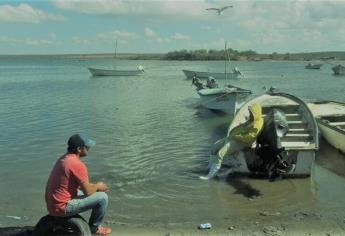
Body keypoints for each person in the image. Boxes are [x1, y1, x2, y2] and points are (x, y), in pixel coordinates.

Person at [45, 133, 112, 235]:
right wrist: (98, 186)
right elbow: (88, 191)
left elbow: (80, 185)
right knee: (103, 197)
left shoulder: (64, 159)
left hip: (52, 205)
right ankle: (95, 228)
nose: (89, 149)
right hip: (62, 207)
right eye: (87, 147)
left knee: (84, 191)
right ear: (79, 149)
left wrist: (95, 187)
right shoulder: (77, 164)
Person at [200, 103, 264, 180]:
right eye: (250, 112)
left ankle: (212, 175)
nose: (250, 113)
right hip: (233, 138)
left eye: (251, 112)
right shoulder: (251, 120)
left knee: (221, 153)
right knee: (214, 147)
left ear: (256, 113)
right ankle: (210, 167)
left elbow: (249, 138)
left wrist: (235, 136)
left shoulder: (257, 124)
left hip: (242, 142)